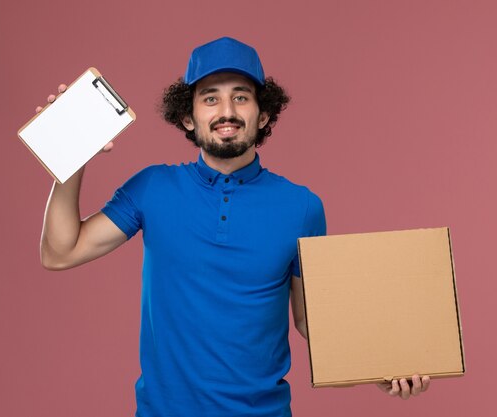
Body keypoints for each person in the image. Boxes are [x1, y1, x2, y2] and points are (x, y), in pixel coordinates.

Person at [37, 37, 430, 417]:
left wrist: (384, 364)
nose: (226, 110)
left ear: (263, 115)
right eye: (210, 98)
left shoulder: (303, 207)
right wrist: (68, 157)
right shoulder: (152, 188)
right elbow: (60, 252)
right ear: (188, 117)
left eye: (240, 96)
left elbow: (312, 320)